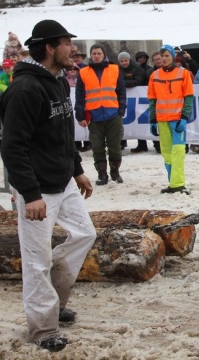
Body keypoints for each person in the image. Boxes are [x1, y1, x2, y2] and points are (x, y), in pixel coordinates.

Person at [0, 19, 96, 352]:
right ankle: (43, 328)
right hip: (36, 188)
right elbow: (12, 146)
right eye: (67, 43)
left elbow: (62, 133)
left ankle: (53, 300)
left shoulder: (57, 82)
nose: (73, 49)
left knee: (85, 234)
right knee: (36, 260)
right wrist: (30, 194)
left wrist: (77, 169)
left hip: (62, 181)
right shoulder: (25, 89)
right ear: (49, 48)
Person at [74, 44, 127, 185]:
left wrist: (121, 110)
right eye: (94, 53)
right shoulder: (83, 72)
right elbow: (79, 95)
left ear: (104, 55)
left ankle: (115, 172)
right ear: (91, 55)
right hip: (94, 117)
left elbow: (121, 91)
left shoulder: (114, 69)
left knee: (115, 146)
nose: (96, 55)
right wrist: (80, 115)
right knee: (97, 147)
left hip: (113, 115)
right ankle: (102, 174)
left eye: (99, 53)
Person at [148, 44, 194, 193]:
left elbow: (188, 97)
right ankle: (172, 182)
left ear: (173, 57)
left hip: (177, 119)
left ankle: (178, 184)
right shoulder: (154, 76)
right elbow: (152, 100)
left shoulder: (183, 73)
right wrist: (152, 120)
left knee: (179, 151)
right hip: (162, 119)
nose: (164, 58)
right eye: (162, 56)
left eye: (167, 55)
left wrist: (185, 117)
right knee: (167, 153)